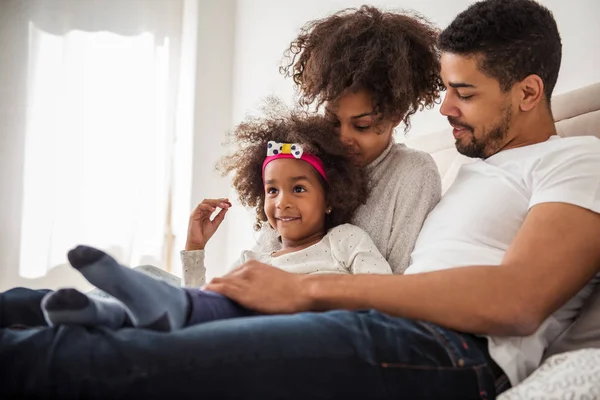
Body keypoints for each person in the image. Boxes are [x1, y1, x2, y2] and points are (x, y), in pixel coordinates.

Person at [4, 1, 600, 398]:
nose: (443, 109)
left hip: (448, 352)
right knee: (31, 305)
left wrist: (309, 288)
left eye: (463, 93)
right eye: (446, 88)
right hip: (390, 325)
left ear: (527, 92)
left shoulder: (577, 161)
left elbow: (519, 301)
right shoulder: (475, 169)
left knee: (99, 363)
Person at [40, 111, 392, 331]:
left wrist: (310, 296)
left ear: (330, 199)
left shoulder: (344, 239)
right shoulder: (258, 257)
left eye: (298, 189)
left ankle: (105, 313)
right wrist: (195, 247)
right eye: (272, 191)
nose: (282, 202)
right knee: (152, 274)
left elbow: (384, 292)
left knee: (162, 288)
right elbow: (200, 296)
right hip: (223, 308)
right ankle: (97, 314)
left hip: (275, 320)